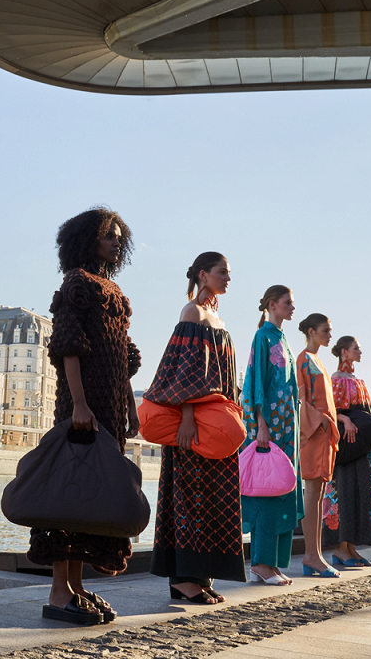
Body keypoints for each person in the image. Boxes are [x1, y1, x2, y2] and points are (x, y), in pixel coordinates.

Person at [30, 207, 141, 625]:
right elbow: (68, 347)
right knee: (69, 492)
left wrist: (129, 405)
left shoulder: (112, 289)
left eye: (117, 236)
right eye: (107, 235)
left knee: (89, 497)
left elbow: (124, 359)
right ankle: (59, 592)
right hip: (81, 405)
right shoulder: (77, 283)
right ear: (87, 240)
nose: (115, 242)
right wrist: (78, 404)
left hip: (109, 407)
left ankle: (75, 587)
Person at [148, 252, 245, 604]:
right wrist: (187, 416)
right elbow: (184, 369)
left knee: (212, 494)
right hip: (194, 422)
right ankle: (184, 580)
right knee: (189, 495)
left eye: (229, 273)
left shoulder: (216, 317)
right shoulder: (192, 313)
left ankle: (201, 576)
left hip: (214, 422)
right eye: (223, 272)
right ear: (203, 275)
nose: (229, 278)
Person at [240, 285, 304, 585]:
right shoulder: (262, 337)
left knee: (284, 490)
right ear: (272, 305)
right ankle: (261, 563)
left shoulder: (283, 339)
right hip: (270, 429)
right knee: (267, 491)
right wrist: (261, 425)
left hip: (288, 430)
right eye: (287, 302)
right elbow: (255, 384)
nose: (292, 307)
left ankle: (275, 563)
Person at [322, 336, 371, 566]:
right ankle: (341, 548)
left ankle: (350, 548)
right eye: (356, 349)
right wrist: (345, 420)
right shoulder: (336, 378)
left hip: (361, 443)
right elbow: (331, 409)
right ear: (344, 352)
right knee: (344, 490)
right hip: (345, 441)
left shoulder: (357, 379)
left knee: (361, 491)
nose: (360, 352)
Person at [295, 314, 340, 577]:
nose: (329, 334)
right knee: (312, 494)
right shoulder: (303, 359)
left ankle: (316, 554)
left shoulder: (318, 361)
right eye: (326, 330)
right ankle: (311, 555)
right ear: (312, 331)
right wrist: (320, 421)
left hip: (324, 434)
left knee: (320, 494)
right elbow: (300, 399)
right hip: (314, 433)